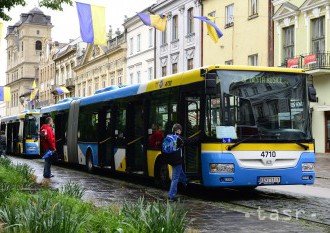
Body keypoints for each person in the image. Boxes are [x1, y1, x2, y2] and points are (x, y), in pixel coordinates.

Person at [164, 123, 200, 202]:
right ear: (178, 130)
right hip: (177, 160)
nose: (181, 131)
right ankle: (171, 196)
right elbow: (188, 141)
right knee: (175, 178)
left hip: (171, 159)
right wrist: (199, 137)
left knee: (180, 172)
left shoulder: (169, 136)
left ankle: (185, 180)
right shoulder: (178, 138)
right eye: (180, 130)